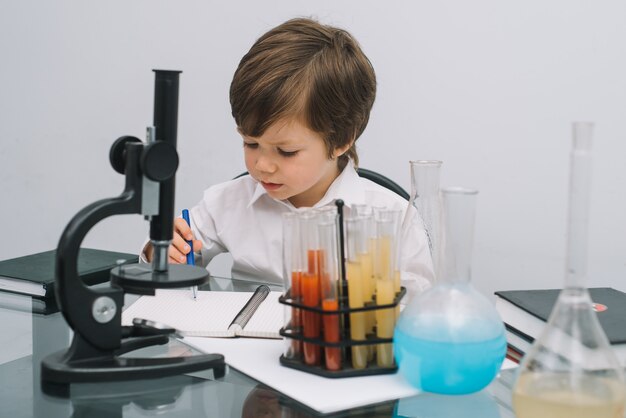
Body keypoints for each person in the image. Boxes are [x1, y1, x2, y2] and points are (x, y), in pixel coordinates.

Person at [142, 17, 433, 298]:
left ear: (343, 139)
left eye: (287, 151)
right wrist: (163, 251)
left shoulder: (396, 218)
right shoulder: (227, 203)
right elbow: (165, 267)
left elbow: (420, 310)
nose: (262, 165)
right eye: (250, 143)